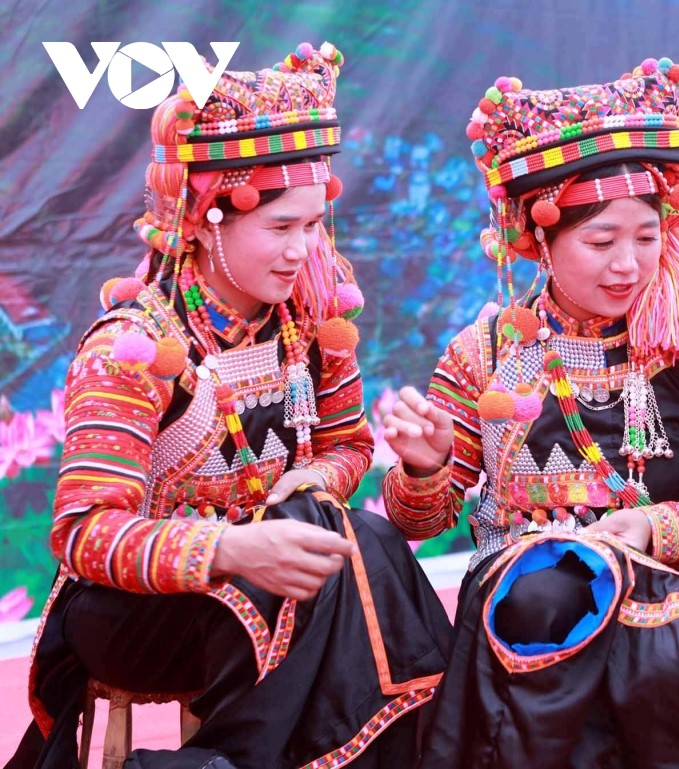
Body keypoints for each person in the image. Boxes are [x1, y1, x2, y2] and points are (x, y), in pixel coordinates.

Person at [7, 43, 450, 769]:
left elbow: (348, 448)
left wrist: (313, 483)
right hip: (135, 611)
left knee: (341, 534)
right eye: (281, 228)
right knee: (340, 547)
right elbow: (84, 534)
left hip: (276, 588)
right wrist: (231, 548)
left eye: (313, 226)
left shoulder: (312, 326)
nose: (303, 250)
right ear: (206, 218)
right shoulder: (134, 346)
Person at [380, 59, 679, 768]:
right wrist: (426, 467)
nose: (628, 264)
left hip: (677, 598)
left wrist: (653, 528)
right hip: (527, 609)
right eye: (601, 242)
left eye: (647, 237)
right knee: (547, 597)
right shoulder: (486, 352)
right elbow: (421, 522)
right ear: (540, 239)